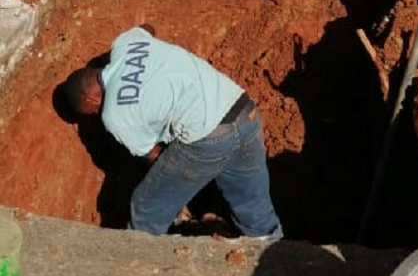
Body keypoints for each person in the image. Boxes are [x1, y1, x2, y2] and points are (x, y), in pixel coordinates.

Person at [61, 22, 283, 241]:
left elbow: (155, 156)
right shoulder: (126, 42)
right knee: (255, 211)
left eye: (90, 112)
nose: (95, 115)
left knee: (146, 208)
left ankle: (142, 266)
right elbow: (148, 28)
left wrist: (172, 189)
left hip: (207, 137)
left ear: (91, 98)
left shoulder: (113, 115)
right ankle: (279, 259)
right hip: (244, 112)